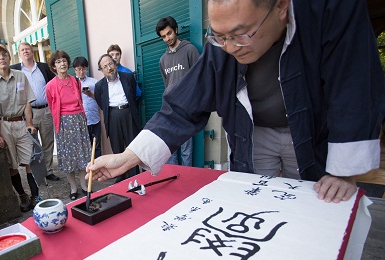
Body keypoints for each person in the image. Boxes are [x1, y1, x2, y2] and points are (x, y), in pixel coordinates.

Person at [88, 0, 385, 204]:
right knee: (254, 201)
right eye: (219, 36)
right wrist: (127, 158)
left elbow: (355, 83)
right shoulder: (222, 45)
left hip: (311, 129)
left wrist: (345, 172)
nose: (229, 47)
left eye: (241, 34)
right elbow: (182, 105)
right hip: (255, 132)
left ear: (281, 7)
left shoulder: (329, 10)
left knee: (316, 198)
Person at [0, 44, 40, 212]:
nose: (1, 57)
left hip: (22, 123)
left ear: (9, 57)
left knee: (31, 161)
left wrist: (29, 124)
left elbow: (28, 102)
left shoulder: (21, 76)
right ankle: (23, 195)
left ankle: (36, 196)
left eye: (4, 54)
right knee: (12, 165)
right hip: (4, 124)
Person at [11, 42, 60, 182]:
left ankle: (49, 171)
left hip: (45, 110)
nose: (25, 51)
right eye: (22, 50)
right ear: (19, 54)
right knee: (32, 144)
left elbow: (54, 86)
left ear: (32, 52)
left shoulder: (43, 68)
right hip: (27, 113)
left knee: (48, 142)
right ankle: (36, 172)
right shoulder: (15, 71)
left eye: (27, 49)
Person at [46, 50, 91, 200]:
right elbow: (52, 106)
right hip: (64, 122)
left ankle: (84, 185)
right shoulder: (51, 85)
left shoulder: (75, 81)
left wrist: (82, 118)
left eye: (64, 60)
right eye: (58, 62)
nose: (62, 63)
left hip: (78, 120)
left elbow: (80, 101)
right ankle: (73, 187)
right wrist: (59, 123)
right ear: (54, 66)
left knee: (82, 155)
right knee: (68, 157)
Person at [156, 16, 200, 167]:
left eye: (169, 33)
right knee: (171, 148)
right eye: (163, 36)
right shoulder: (163, 60)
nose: (167, 38)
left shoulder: (190, 50)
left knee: (186, 148)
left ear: (175, 30)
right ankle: (173, 176)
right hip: (169, 109)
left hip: (186, 108)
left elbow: (198, 79)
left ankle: (186, 179)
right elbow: (166, 84)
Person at [94, 54, 142, 182]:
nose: (109, 68)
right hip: (112, 116)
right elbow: (101, 103)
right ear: (101, 70)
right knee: (117, 147)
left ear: (115, 64)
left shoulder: (128, 77)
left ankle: (134, 175)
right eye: (105, 66)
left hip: (128, 113)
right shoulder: (99, 86)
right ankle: (120, 175)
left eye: (110, 64)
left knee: (132, 146)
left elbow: (133, 95)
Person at [72, 56, 101, 158]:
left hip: (95, 118)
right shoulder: (72, 83)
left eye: (84, 69)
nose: (81, 71)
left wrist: (89, 94)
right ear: (75, 70)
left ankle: (98, 167)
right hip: (81, 120)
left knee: (97, 145)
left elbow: (100, 98)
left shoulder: (94, 82)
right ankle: (88, 169)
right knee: (84, 146)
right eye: (79, 69)